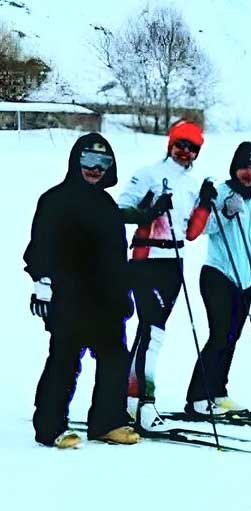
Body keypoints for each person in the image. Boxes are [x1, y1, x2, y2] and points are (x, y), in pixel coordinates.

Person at [24, 133, 140, 448]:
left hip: (106, 301)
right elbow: (40, 247)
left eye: (103, 162)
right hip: (69, 298)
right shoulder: (54, 200)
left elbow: (116, 255)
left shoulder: (107, 205)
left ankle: (107, 422)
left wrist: (123, 293)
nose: (95, 168)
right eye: (88, 160)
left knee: (115, 358)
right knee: (64, 360)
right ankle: (50, 428)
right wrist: (42, 283)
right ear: (76, 162)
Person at [118, 119, 204, 429]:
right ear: (170, 144)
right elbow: (121, 211)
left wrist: (205, 204)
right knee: (154, 334)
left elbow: (192, 232)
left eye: (192, 148)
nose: (185, 152)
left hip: (174, 263)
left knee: (149, 332)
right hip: (147, 260)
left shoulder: (191, 184)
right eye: (181, 145)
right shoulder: (148, 175)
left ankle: (127, 398)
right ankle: (145, 404)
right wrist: (151, 210)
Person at [182, 142, 251, 418]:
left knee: (232, 337)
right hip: (217, 275)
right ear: (234, 168)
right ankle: (198, 396)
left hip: (244, 280)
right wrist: (224, 211)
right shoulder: (222, 193)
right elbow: (202, 230)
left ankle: (218, 392)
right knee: (219, 335)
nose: (248, 173)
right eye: (243, 167)